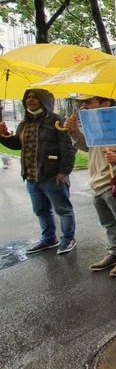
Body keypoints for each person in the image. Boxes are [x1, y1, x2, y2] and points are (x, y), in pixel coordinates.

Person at [65, 95, 116, 277]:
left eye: (89, 102)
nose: (83, 106)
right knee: (108, 223)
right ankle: (114, 253)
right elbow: (87, 147)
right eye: (82, 103)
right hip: (97, 182)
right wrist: (75, 132)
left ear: (105, 103)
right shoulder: (93, 125)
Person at [0, 89, 77, 255]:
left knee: (63, 209)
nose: (30, 100)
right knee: (41, 210)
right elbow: (17, 145)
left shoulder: (56, 120)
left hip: (53, 176)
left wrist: (64, 171)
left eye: (35, 97)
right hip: (31, 177)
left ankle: (68, 239)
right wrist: (3, 135)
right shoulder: (24, 124)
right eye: (28, 97)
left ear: (44, 101)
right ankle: (49, 239)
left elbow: (68, 148)